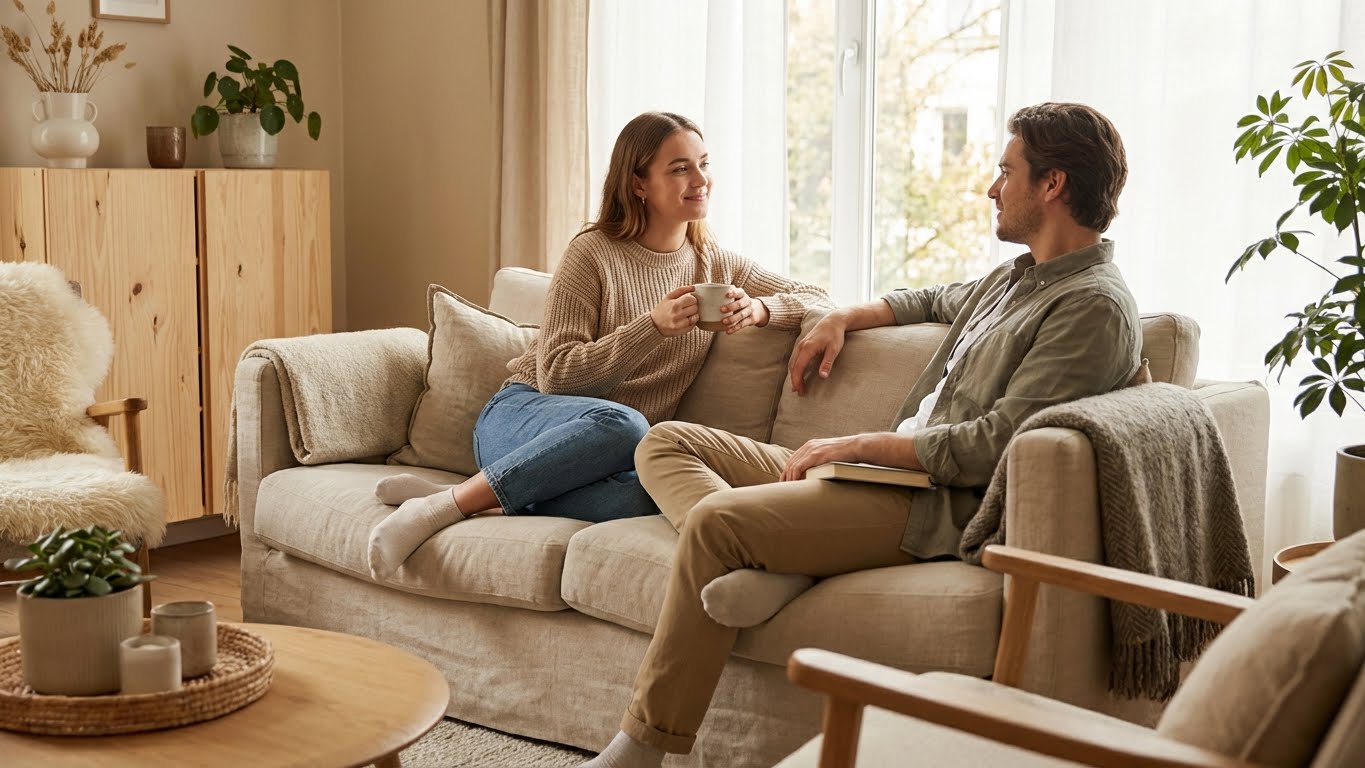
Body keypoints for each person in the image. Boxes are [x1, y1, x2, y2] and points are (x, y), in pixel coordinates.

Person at [581, 102, 1142, 767]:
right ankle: (781, 561)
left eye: (1006, 170)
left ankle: (643, 748)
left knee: (714, 527)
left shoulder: (1090, 307)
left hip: (928, 501)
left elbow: (989, 448)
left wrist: (851, 444)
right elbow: (929, 300)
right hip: (881, 476)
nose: (992, 187)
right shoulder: (1013, 280)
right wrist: (845, 314)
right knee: (665, 439)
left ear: (1052, 185)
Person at [367, 111, 832, 579]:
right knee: (628, 424)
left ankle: (484, 498)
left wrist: (759, 310)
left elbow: (818, 296)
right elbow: (557, 375)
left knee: (651, 492)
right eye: (679, 168)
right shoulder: (592, 253)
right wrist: (651, 326)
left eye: (703, 164)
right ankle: (442, 508)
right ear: (638, 184)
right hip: (522, 419)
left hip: (591, 460)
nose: (700, 179)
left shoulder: (714, 262)